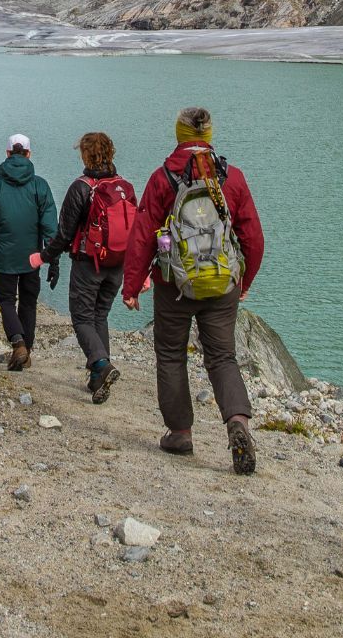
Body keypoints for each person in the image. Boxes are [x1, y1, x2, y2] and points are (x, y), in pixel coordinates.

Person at [123, 106, 264, 475]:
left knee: (171, 354)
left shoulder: (162, 178)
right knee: (222, 357)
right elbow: (253, 238)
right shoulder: (231, 178)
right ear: (209, 135)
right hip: (222, 285)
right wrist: (243, 281)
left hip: (175, 286)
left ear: (179, 134)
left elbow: (141, 237)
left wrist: (133, 285)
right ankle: (238, 422)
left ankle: (180, 433)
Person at [38, 131, 135, 402]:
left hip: (88, 262)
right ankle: (96, 378)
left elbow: (64, 233)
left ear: (84, 154)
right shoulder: (124, 186)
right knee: (100, 315)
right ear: (111, 153)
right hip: (117, 264)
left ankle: (102, 365)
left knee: (81, 317)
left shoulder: (81, 187)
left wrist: (46, 256)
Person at [0, 133, 57, 371]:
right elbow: (50, 225)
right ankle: (25, 352)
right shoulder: (40, 185)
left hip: (4, 256)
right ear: (29, 154)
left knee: (6, 301)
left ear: (8, 154)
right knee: (29, 303)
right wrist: (53, 260)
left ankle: (18, 343)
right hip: (33, 257)